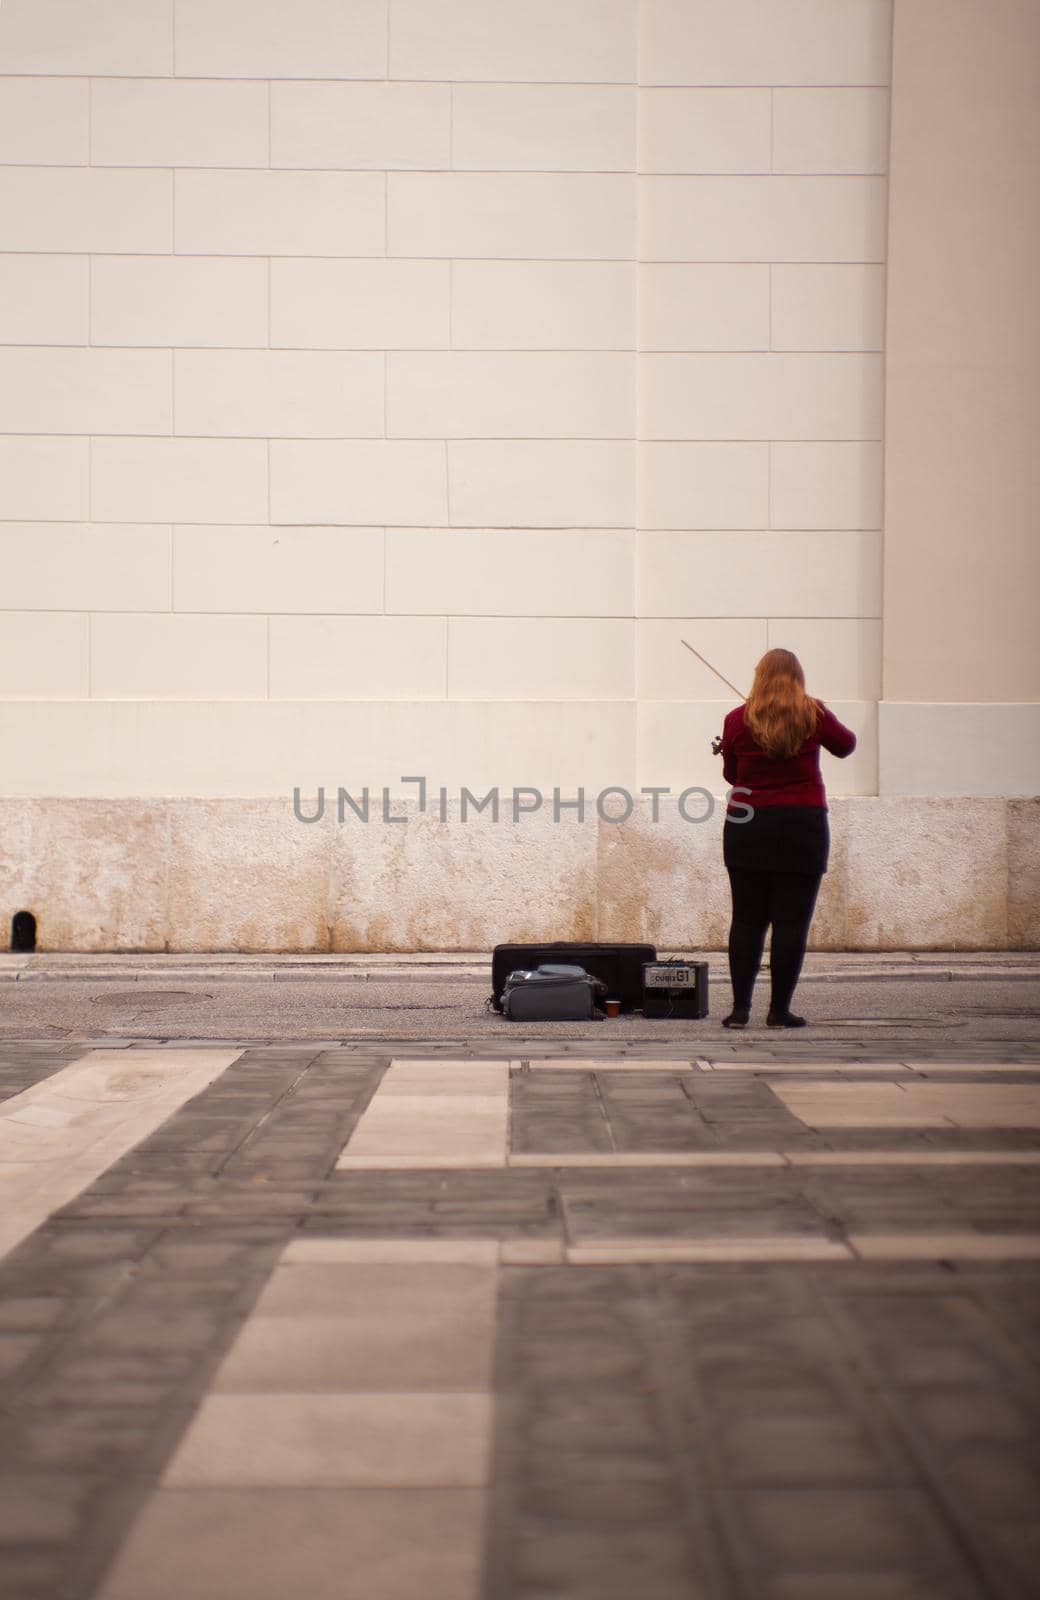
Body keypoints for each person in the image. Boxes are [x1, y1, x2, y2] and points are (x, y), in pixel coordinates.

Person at [718, 648, 856, 1029]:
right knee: (791, 922)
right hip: (802, 825)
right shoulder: (814, 714)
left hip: (749, 825)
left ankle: (740, 1009)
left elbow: (733, 775)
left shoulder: (737, 719)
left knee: (746, 920)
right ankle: (779, 1011)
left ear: (759, 676)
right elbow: (846, 746)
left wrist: (728, 751)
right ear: (798, 678)